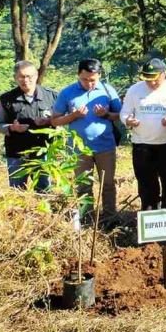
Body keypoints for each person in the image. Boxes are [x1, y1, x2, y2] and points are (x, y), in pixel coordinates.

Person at [51, 59, 122, 218]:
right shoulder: (67, 93)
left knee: (108, 184)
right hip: (79, 149)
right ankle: (87, 218)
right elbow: (55, 120)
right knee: (83, 185)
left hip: (105, 146)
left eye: (93, 80)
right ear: (78, 75)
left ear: (99, 76)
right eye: (85, 79)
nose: (89, 83)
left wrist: (106, 114)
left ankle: (110, 217)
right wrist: (74, 115)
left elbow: (121, 116)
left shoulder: (107, 90)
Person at [120, 59, 166, 212]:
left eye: (155, 79)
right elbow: (124, 113)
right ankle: (150, 218)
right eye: (148, 79)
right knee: (146, 185)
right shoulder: (134, 90)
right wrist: (128, 120)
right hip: (142, 145)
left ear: (164, 74)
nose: (151, 83)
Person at [0, 61, 58, 191]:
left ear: (36, 76)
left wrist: (49, 121)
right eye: (21, 76)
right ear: (15, 78)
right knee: (17, 192)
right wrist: (12, 127)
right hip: (16, 153)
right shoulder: (6, 99)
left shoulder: (51, 96)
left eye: (29, 76)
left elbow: (62, 119)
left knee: (44, 190)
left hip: (43, 151)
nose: (26, 80)